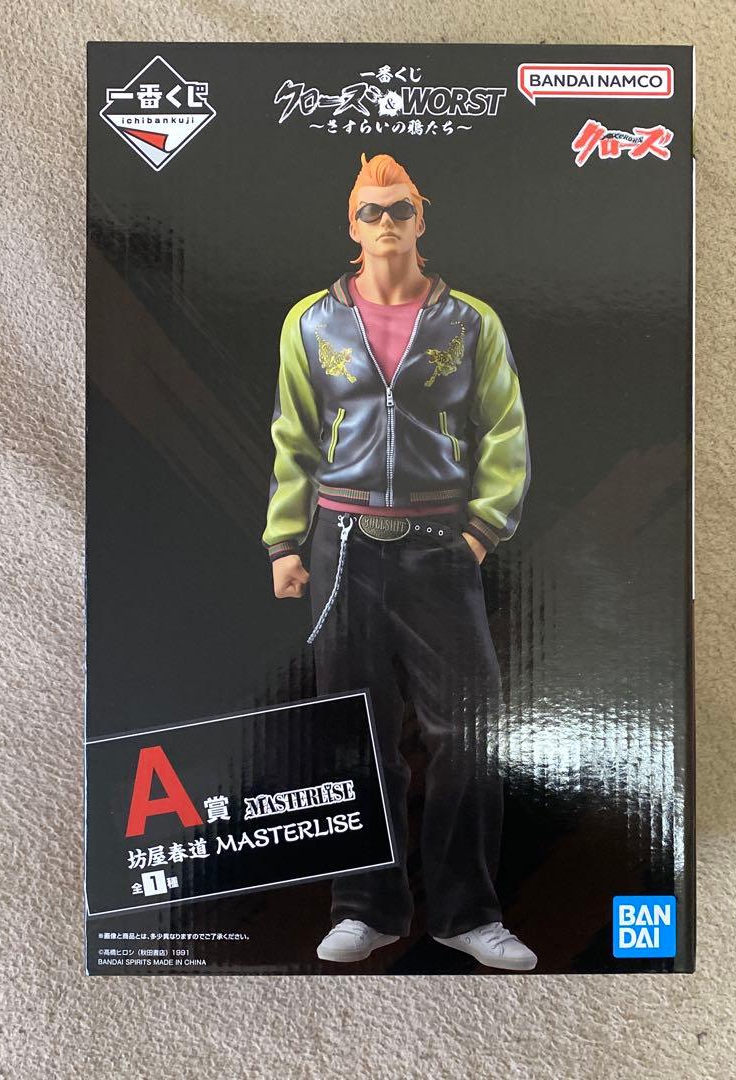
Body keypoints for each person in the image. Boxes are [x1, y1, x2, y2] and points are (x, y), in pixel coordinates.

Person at [262, 152, 534, 971]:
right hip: (341, 543)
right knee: (354, 732)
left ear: (423, 217)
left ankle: (467, 914)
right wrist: (284, 541)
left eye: (400, 209)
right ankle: (364, 908)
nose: (386, 223)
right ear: (351, 224)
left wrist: (481, 532)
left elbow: (505, 431)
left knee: (469, 731)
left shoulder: (470, 322)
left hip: (438, 543)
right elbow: (293, 435)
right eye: (371, 211)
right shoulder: (311, 321)